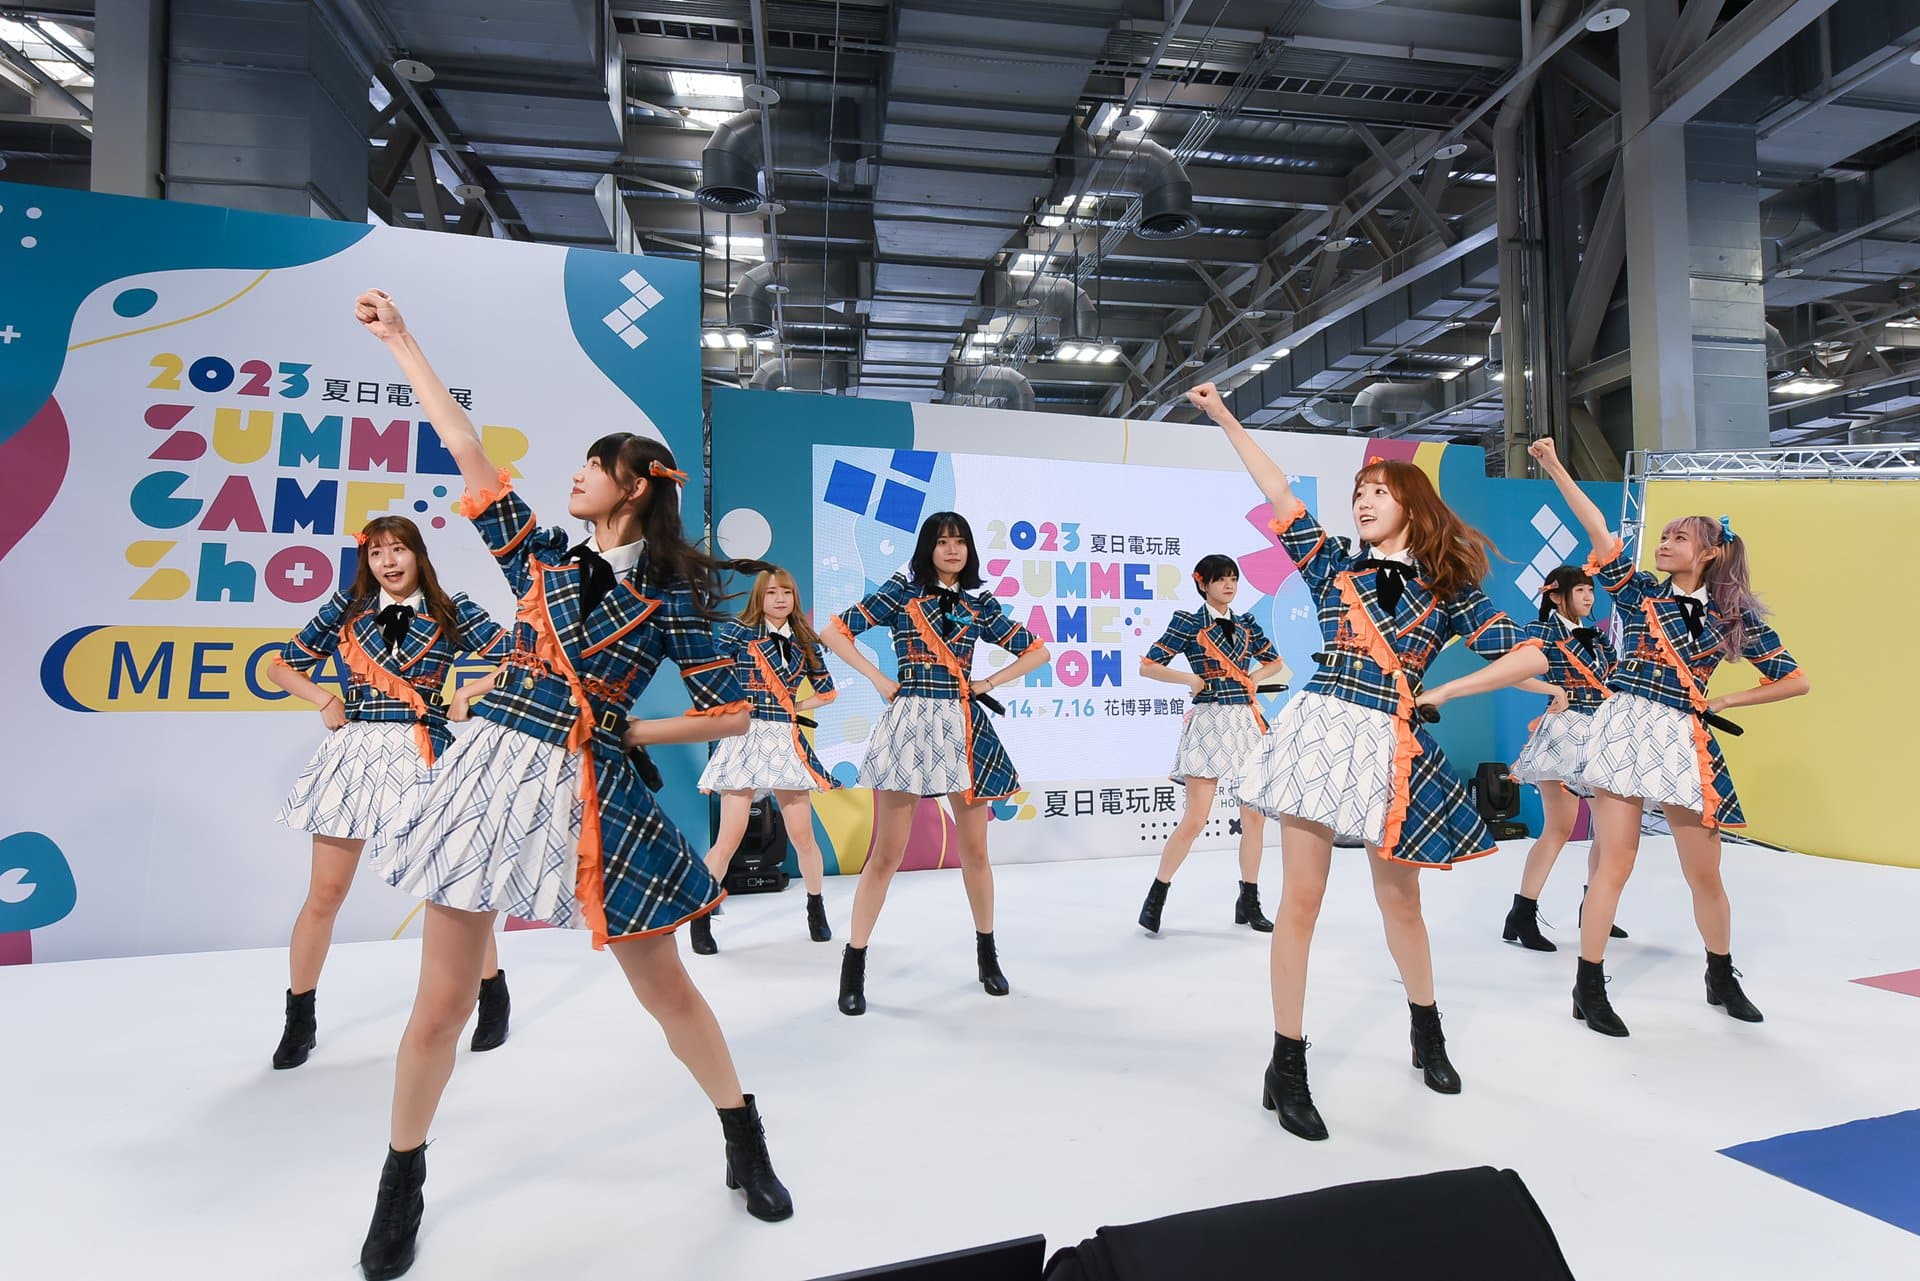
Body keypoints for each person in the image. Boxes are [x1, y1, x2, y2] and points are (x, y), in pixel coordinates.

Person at [349, 288, 793, 1281]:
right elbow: (465, 449)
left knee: (665, 987)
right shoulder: (541, 557)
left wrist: (635, 727)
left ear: (631, 487)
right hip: (492, 766)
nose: (575, 476)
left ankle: (742, 1135)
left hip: (595, 786)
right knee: (440, 1004)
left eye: (593, 466)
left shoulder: (672, 598)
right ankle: (401, 1180)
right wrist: (404, 340)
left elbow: (734, 712)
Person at [1192, 380, 1549, 1142]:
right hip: (1320, 730)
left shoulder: (1449, 589)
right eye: (1359, 492)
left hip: (1391, 743)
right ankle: (1287, 1063)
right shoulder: (1332, 566)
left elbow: (1529, 654)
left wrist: (1446, 688)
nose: (1362, 501)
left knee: (1402, 903)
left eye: (1379, 491)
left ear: (1412, 505)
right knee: (1301, 902)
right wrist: (1224, 415)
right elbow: (1277, 491)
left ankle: (1427, 1030)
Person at [1530, 437, 1810, 1038]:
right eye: (1663, 535)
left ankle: (1721, 975)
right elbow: (1600, 529)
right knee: (1615, 862)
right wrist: (1554, 466)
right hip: (1626, 726)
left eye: (1678, 537)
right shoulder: (1642, 592)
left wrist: (1724, 701)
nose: (1663, 542)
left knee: (1705, 872)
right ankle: (1588, 985)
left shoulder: (1734, 617)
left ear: (1709, 552)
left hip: (1683, 735)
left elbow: (1795, 680)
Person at [267, 516, 512, 1068]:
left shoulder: (451, 610)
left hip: (425, 748)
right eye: (376, 553)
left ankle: (491, 995)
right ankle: (299, 1019)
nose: (388, 563)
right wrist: (323, 698)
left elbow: (524, 660)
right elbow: (281, 667)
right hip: (355, 753)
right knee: (326, 893)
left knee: (453, 890)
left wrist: (469, 691)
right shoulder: (346, 610)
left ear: (417, 554)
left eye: (398, 550)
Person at [816, 511, 1051, 1015]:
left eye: (960, 541)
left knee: (976, 852)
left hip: (963, 724)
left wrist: (987, 683)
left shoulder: (979, 604)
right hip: (910, 721)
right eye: (943, 542)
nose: (952, 549)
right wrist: (880, 679)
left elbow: (1037, 652)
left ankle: (987, 955)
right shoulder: (901, 593)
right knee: (887, 853)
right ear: (928, 548)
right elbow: (833, 632)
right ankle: (853, 963)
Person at [1135, 554, 1287, 935]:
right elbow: (1148, 665)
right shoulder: (1189, 622)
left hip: (1245, 722)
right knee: (1195, 818)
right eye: (1220, 579)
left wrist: (1254, 678)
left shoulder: (1247, 623)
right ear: (1203, 583)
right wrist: (1190, 680)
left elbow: (1273, 661)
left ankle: (1249, 900)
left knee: (1254, 818)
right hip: (1209, 721)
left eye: (1233, 578)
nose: (1229, 585)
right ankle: (1157, 895)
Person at [691, 567, 840, 954]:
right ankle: (700, 917)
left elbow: (827, 691)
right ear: (759, 596)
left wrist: (794, 707)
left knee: (803, 837)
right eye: (772, 592)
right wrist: (731, 707)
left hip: (784, 739)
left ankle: (815, 908)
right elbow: (709, 674)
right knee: (729, 838)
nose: (779, 599)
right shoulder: (738, 632)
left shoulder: (804, 639)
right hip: (745, 736)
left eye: (786, 592)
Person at [1500, 564, 1629, 952]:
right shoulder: (1541, 632)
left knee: (1608, 830)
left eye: (1591, 590)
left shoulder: (1599, 638)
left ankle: (1596, 908)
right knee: (1560, 827)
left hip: (1600, 733)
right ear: (1556, 596)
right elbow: (1508, 672)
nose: (1588, 597)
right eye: (1580, 591)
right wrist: (1552, 689)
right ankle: (1522, 913)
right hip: (1562, 735)